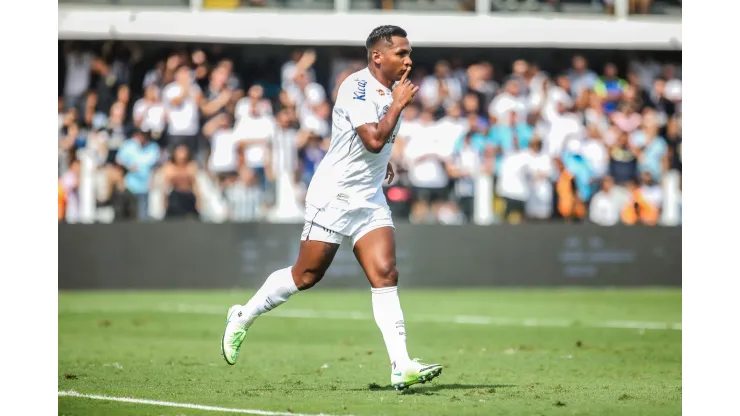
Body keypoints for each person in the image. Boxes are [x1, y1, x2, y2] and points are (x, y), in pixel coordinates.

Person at [220, 25, 442, 390]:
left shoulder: (390, 88)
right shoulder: (357, 87)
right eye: (401, 53)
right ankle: (243, 315)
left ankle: (400, 364)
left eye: (408, 52)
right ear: (377, 57)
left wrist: (382, 161)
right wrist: (398, 107)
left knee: (385, 273)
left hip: (368, 195)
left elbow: (372, 145)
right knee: (306, 276)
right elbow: (372, 139)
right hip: (334, 194)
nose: (408, 59)